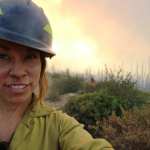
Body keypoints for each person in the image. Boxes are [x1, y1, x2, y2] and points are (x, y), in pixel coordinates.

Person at [0, 0, 114, 149]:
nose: (18, 72)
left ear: (42, 66)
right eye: (3, 57)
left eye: (30, 57)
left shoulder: (59, 127)